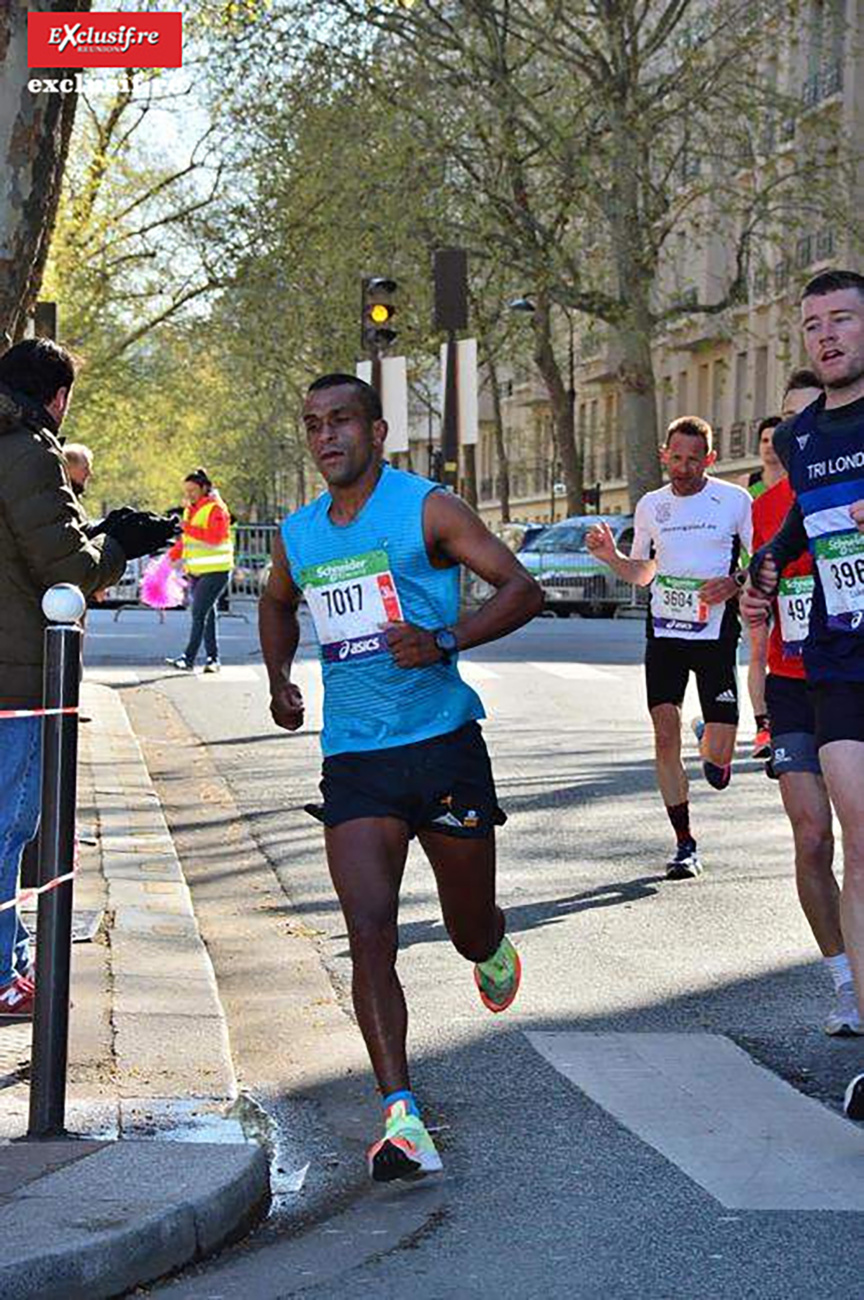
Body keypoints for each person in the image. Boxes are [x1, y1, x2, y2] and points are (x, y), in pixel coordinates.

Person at [259, 373, 543, 1181]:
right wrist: (280, 679)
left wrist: (445, 638)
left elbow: (522, 588)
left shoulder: (429, 508)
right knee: (369, 932)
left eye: (341, 420)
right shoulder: (299, 533)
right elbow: (277, 604)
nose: (326, 437)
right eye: (313, 424)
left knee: (465, 928)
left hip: (444, 743)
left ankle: (490, 940)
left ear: (377, 432)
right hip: (355, 758)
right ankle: (402, 1116)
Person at [0, 338, 176, 1019]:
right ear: (57, 395)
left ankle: (9, 959)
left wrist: (101, 531)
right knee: (11, 827)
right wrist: (120, 546)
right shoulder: (29, 449)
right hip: (14, 679)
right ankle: (5, 974)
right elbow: (66, 572)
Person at [745, 270, 864, 1120]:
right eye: (814, 324)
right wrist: (761, 573)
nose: (826, 335)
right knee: (857, 837)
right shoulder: (806, 435)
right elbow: (794, 529)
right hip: (838, 660)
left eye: (844, 320)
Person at [587, 416, 751, 879]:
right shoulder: (650, 506)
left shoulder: (734, 501)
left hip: (715, 633)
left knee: (718, 765)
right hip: (664, 633)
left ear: (709, 460)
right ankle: (684, 842)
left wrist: (735, 582)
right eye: (676, 458)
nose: (683, 468)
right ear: (664, 455)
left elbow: (760, 562)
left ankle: (710, 739)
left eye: (693, 459)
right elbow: (644, 572)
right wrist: (612, 559)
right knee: (663, 732)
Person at [745, 417, 787, 759]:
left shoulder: (797, 481)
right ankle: (763, 725)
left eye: (775, 439)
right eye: (764, 440)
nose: (769, 445)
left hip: (790, 579)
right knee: (759, 651)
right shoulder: (750, 485)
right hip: (757, 579)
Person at [165, 468, 234, 673]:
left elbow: (216, 537)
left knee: (198, 613)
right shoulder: (190, 510)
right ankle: (213, 660)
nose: (189, 494)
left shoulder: (216, 509)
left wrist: (187, 528)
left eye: (193, 490)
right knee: (206, 615)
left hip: (217, 571)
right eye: (187, 490)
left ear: (204, 488)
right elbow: (188, 540)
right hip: (196, 572)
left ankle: (188, 658)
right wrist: (171, 556)